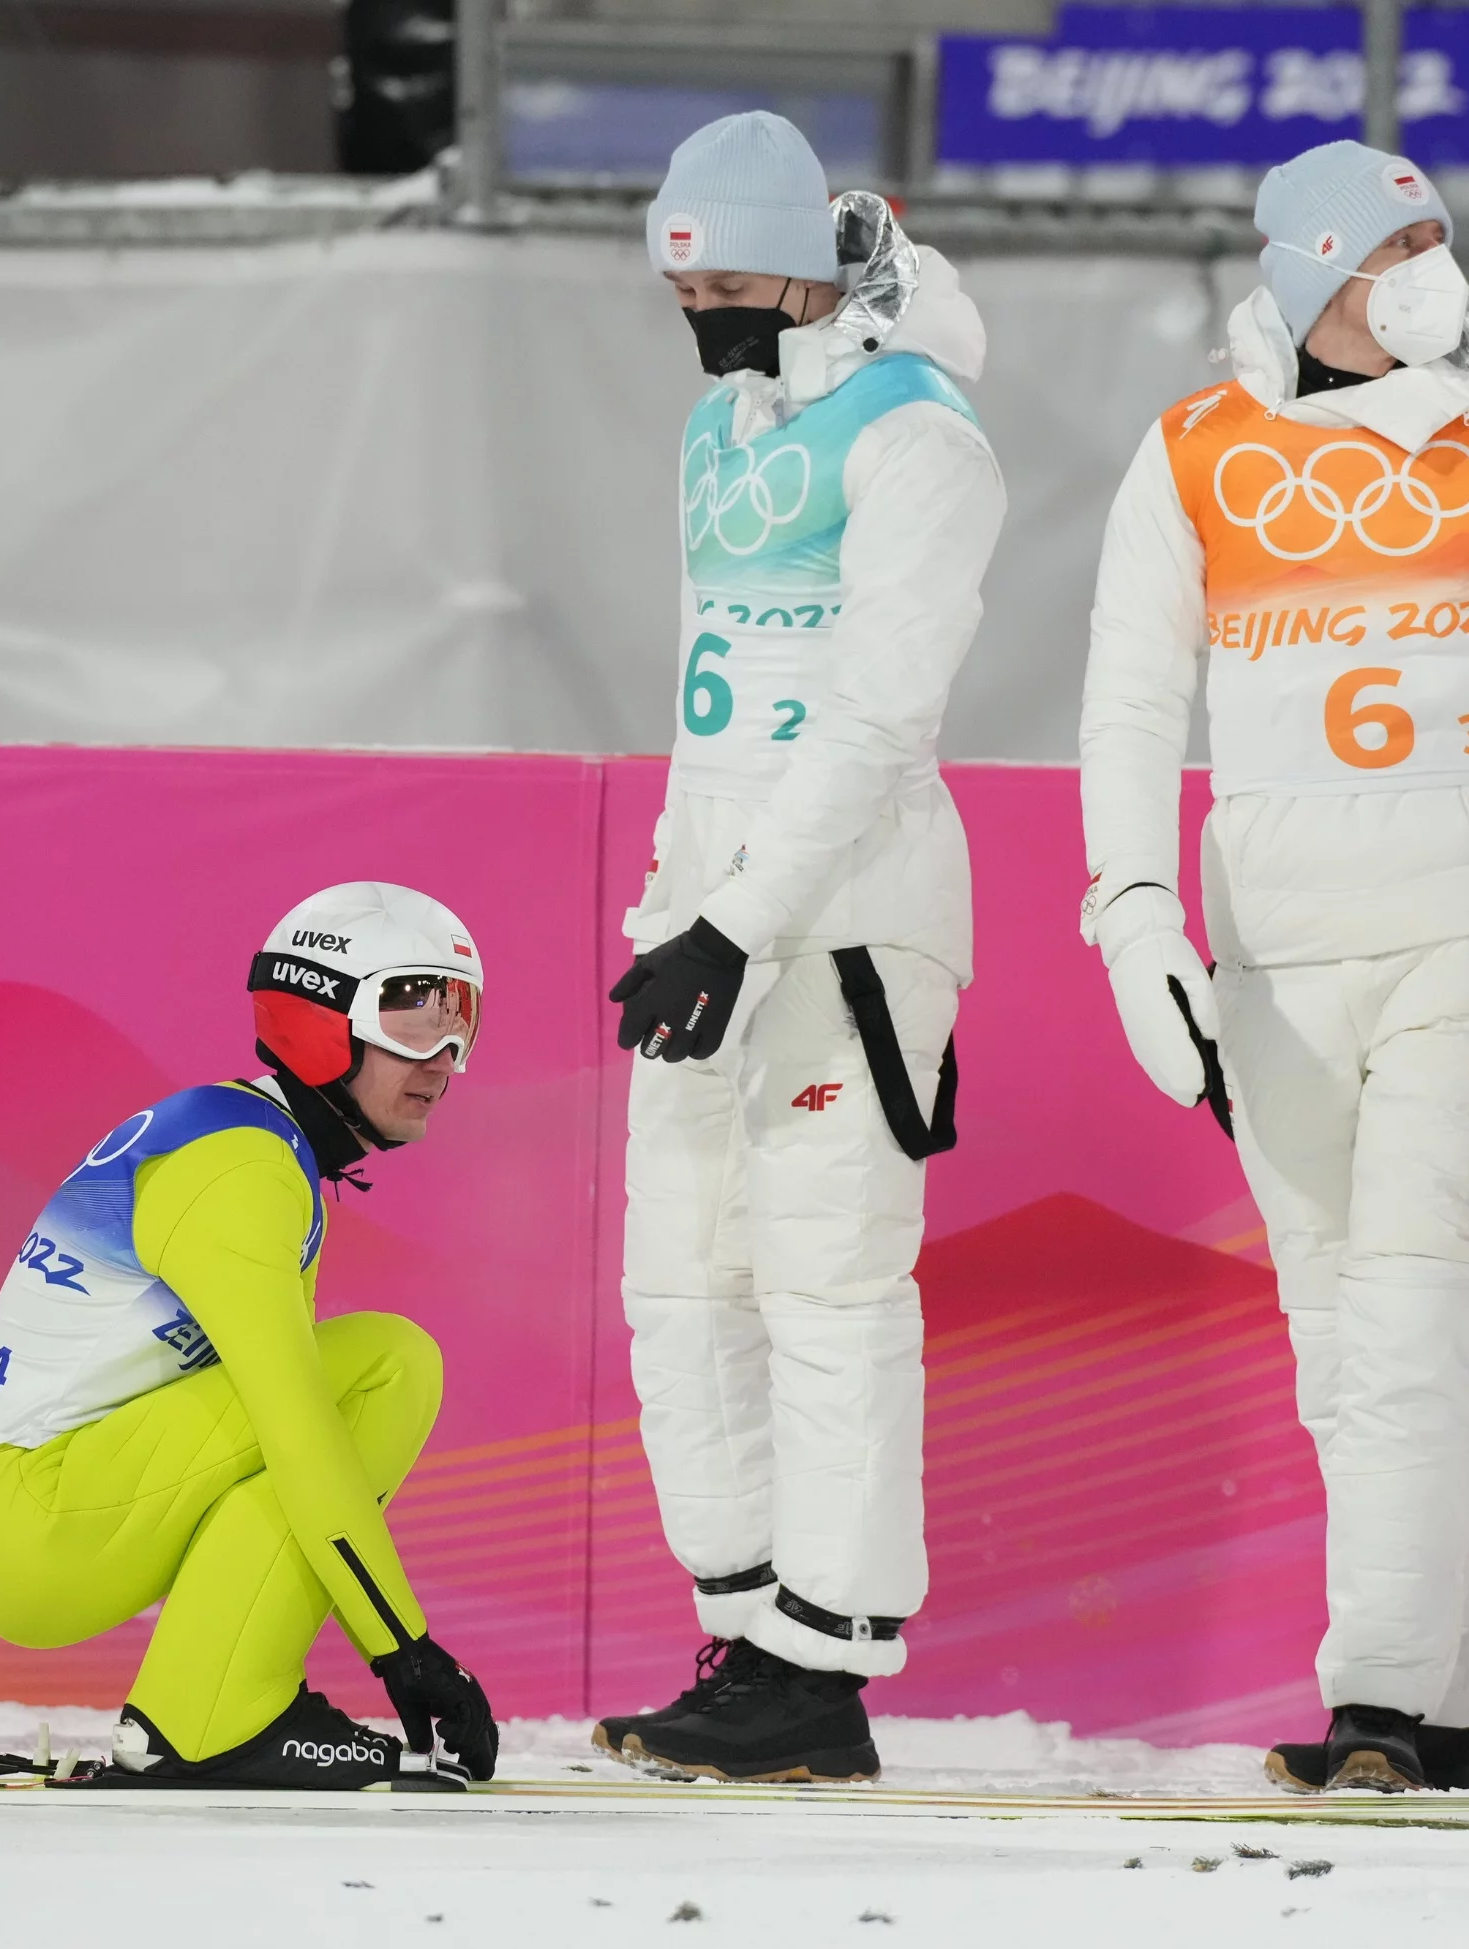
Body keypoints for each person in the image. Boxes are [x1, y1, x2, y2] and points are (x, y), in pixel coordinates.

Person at [1079, 141, 1469, 1793]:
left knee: (1415, 1321)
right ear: (1309, 268)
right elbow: (1129, 701)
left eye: (1440, 241)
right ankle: (1462, 1711)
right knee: (1342, 1346)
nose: (1430, 271)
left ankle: (1377, 1702)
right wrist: (1134, 917)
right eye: (1394, 246)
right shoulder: (1196, 449)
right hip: (1273, 950)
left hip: (1454, 940)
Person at [602, 111, 1004, 1783]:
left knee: (829, 1281)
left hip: (846, 922)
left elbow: (878, 712)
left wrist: (740, 917)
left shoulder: (922, 437)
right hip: (708, 897)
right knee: (680, 1277)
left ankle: (820, 1661)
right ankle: (747, 1623)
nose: (705, 307)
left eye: (732, 274)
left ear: (806, 257)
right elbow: (716, 696)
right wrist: (672, 899)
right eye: (680, 278)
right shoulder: (719, 423)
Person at [0, 882, 497, 1790]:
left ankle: (204, 1709)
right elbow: (298, 1431)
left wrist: (400, 1644)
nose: (443, 1056)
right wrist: (405, 1648)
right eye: (410, 1013)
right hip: (34, 1525)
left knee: (348, 1382)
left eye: (460, 1016)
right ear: (320, 1016)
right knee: (388, 1366)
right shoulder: (239, 1170)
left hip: (40, 1508)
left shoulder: (254, 1144)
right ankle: (217, 1716)